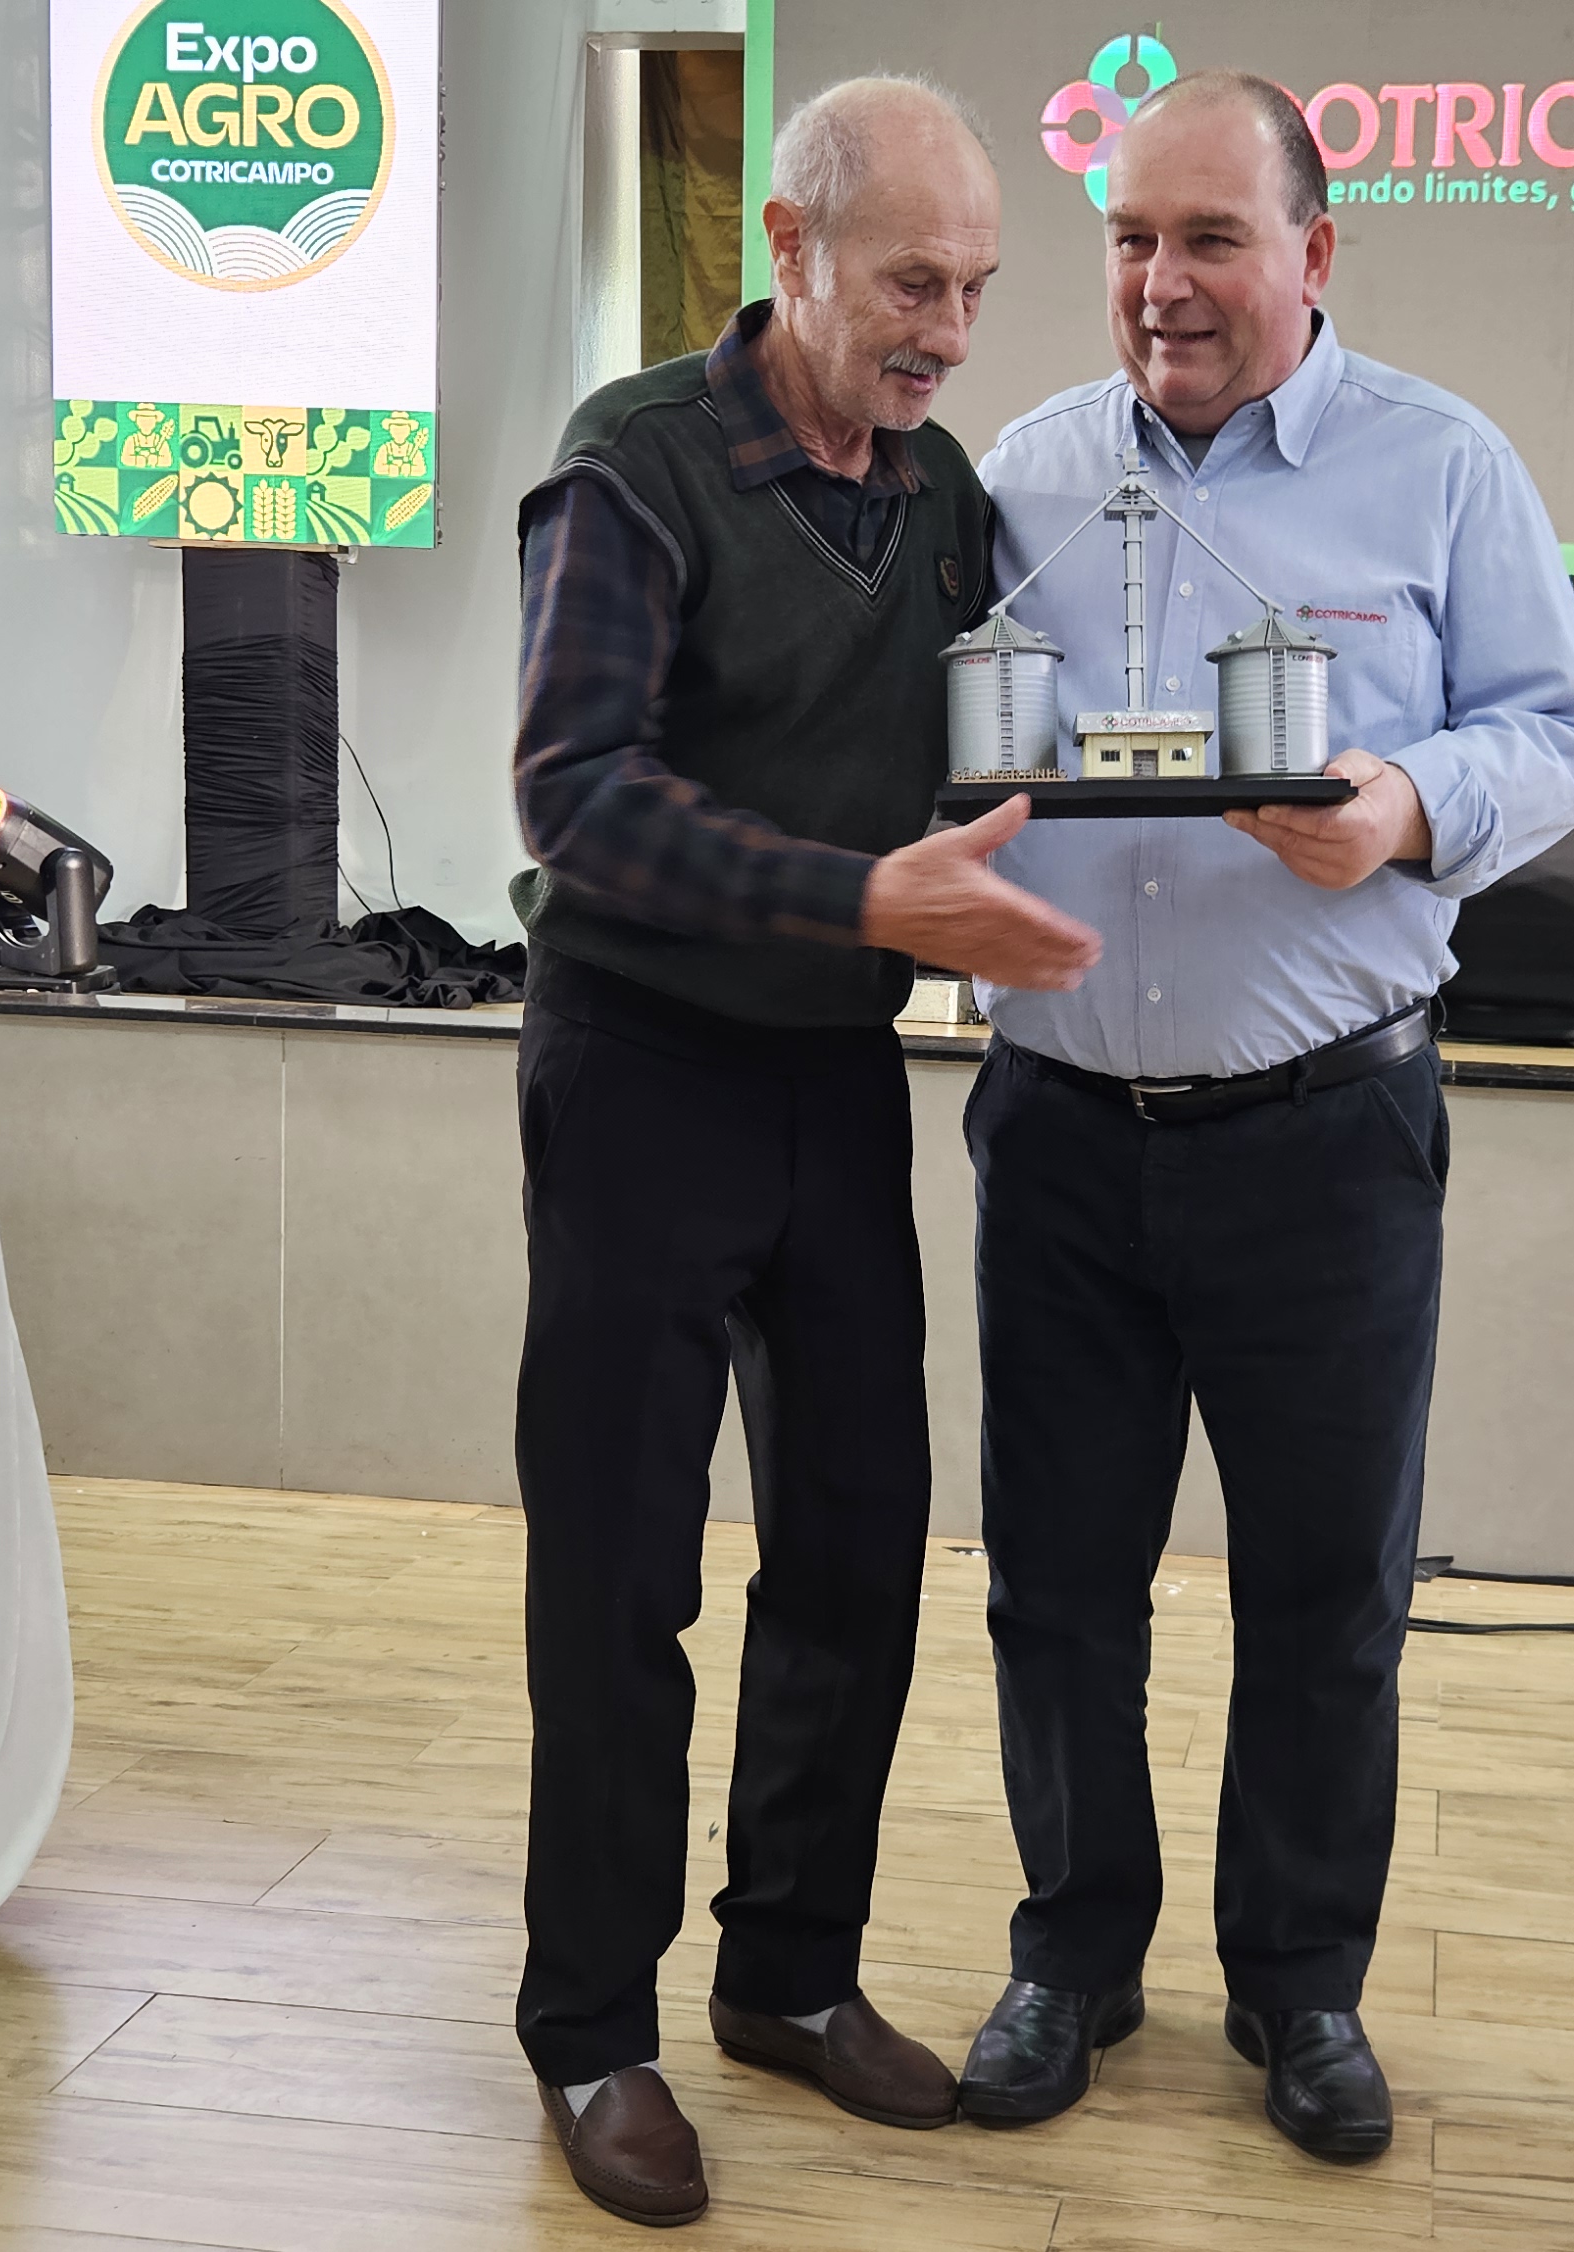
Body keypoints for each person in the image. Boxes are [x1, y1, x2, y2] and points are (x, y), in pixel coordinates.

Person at [948, 72, 1574, 2161]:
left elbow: (1564, 733)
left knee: (1324, 1594)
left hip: (1326, 1139)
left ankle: (1300, 1982)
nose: (1161, 283)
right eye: (1132, 240)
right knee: (1056, 1584)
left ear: (1314, 255)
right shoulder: (1022, 473)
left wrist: (1410, 805)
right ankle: (1074, 1953)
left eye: (1211, 240)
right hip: (1059, 1131)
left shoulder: (1441, 465)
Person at [502, 75, 1099, 2229]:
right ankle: (593, 2029)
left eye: (978, 289)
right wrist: (866, 899)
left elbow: (992, 739)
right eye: (912, 282)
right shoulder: (630, 463)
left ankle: (786, 1974)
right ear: (789, 244)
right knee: (620, 1575)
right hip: (639, 1072)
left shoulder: (943, 493)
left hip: (834, 1083)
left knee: (854, 1543)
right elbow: (574, 792)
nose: (950, 330)